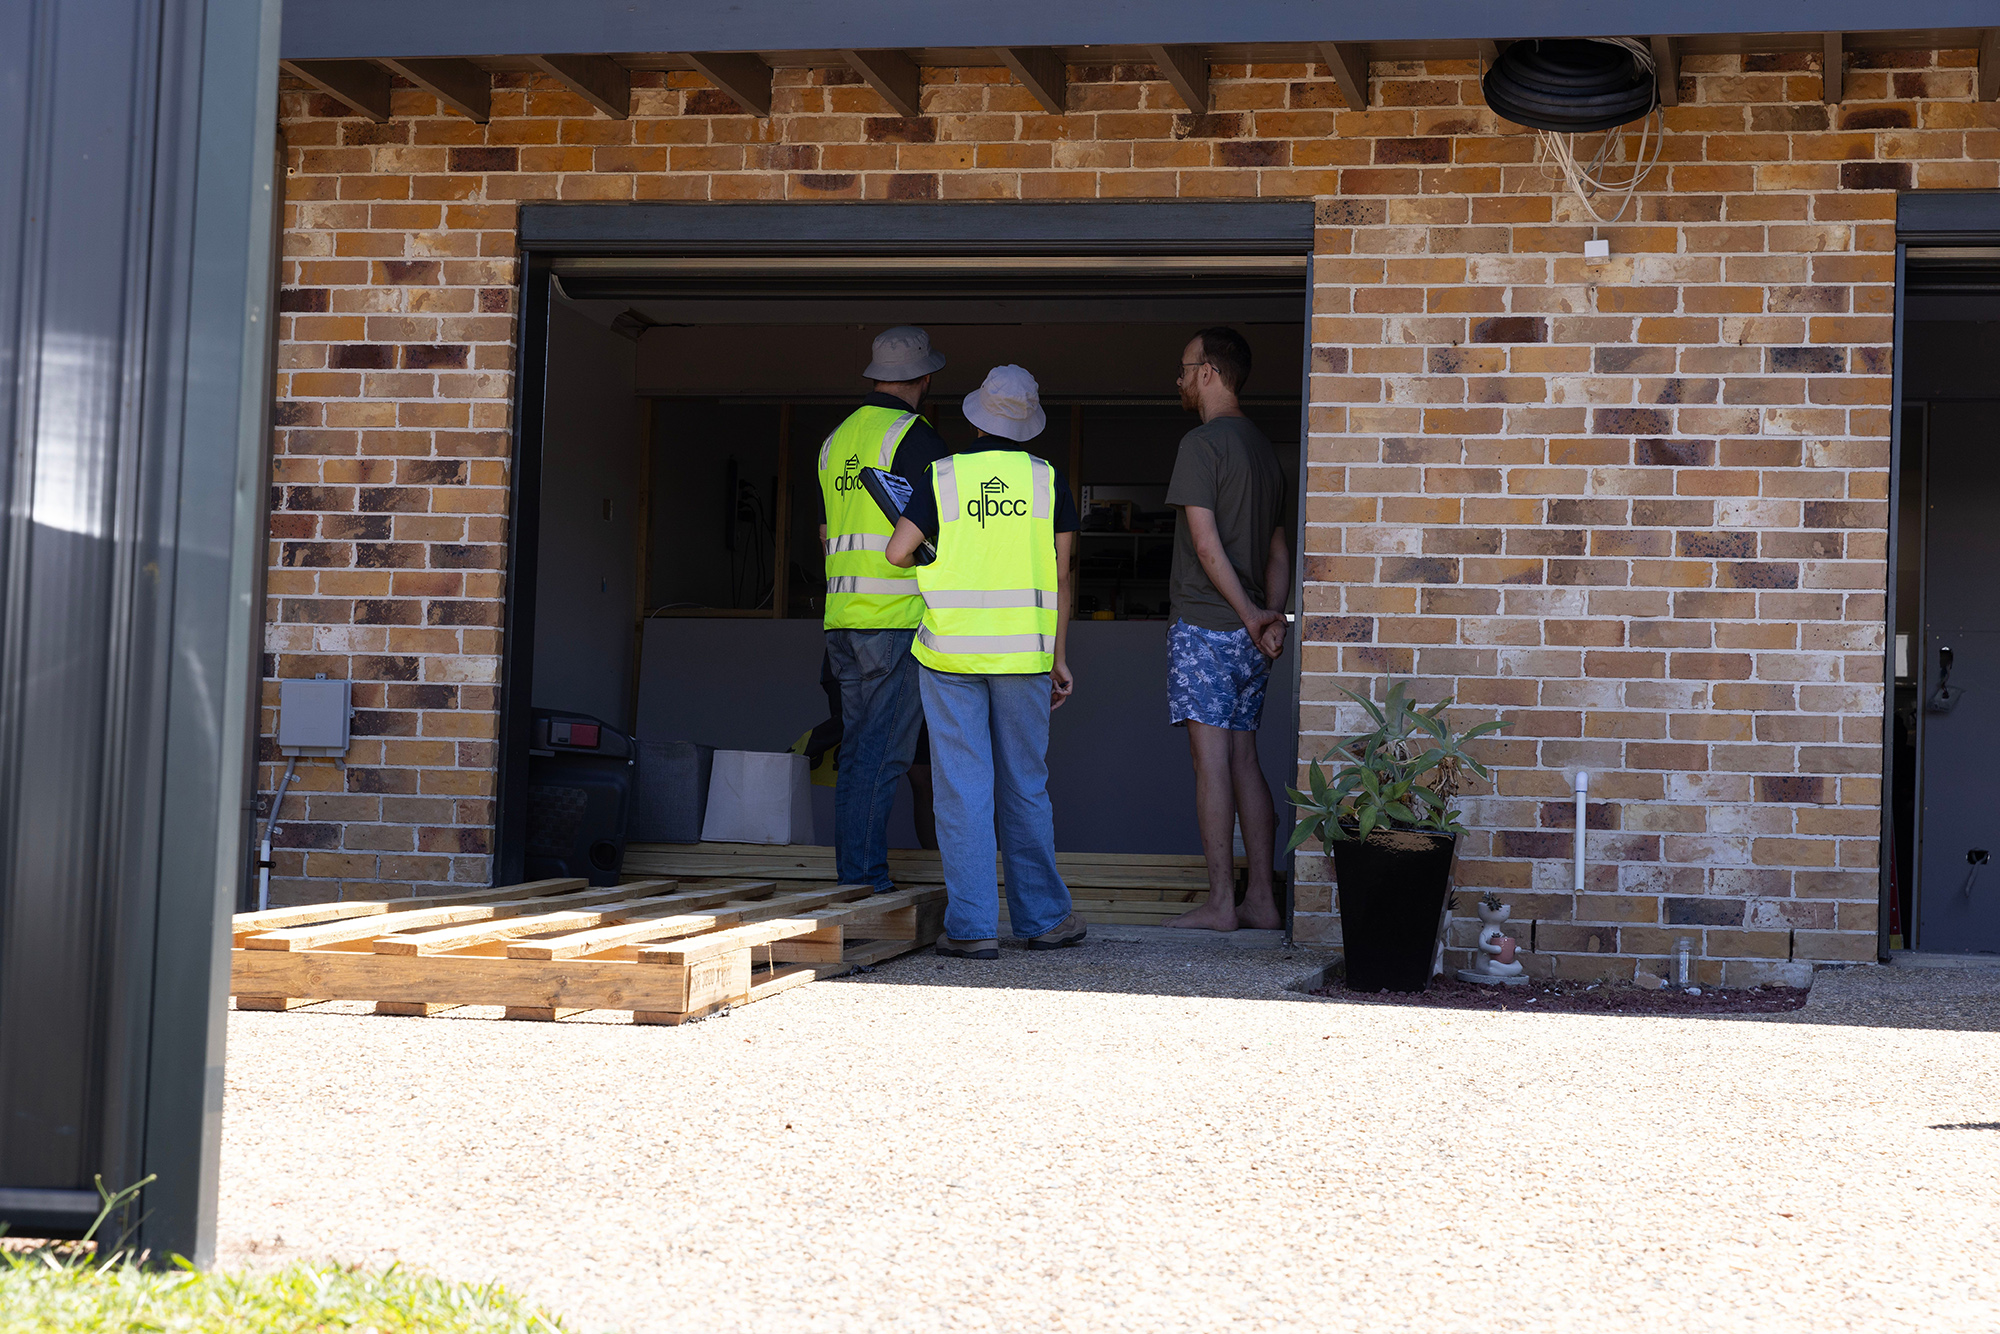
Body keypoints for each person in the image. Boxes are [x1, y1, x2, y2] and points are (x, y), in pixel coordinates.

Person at [884, 365, 1085, 958]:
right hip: (1025, 654)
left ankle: (971, 929)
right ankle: (1044, 921)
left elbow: (899, 552)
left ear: (976, 416)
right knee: (1025, 785)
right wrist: (1059, 658)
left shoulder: (940, 476)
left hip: (949, 653)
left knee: (961, 789)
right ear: (1027, 422)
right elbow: (1062, 575)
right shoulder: (1049, 481)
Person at [1162, 327, 1290, 933]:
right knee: (1245, 759)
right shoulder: (1264, 449)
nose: (1180, 380)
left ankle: (1220, 904)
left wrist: (1247, 614)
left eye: (1187, 369)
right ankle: (1261, 899)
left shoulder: (1201, 444)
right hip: (1250, 632)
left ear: (1210, 371)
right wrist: (1271, 619)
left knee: (1210, 762)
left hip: (1209, 623)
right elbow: (1278, 550)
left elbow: (1206, 546)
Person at [818, 326, 953, 890]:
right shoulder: (915, 436)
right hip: (893, 620)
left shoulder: (836, 439)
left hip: (843, 619)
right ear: (924, 379)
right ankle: (863, 880)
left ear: (876, 376)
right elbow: (944, 527)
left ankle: (855, 874)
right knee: (882, 756)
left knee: (858, 752)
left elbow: (826, 532)